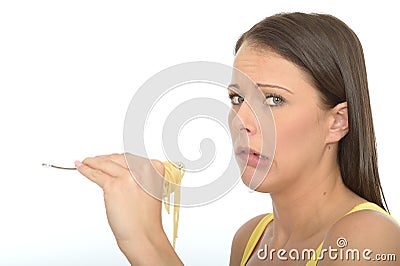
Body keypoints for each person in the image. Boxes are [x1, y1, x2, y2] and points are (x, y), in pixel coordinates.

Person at [74, 12, 400, 265]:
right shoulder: (250, 240)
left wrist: (145, 241)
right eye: (236, 98)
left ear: (337, 122)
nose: (242, 121)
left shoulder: (368, 239)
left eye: (273, 99)